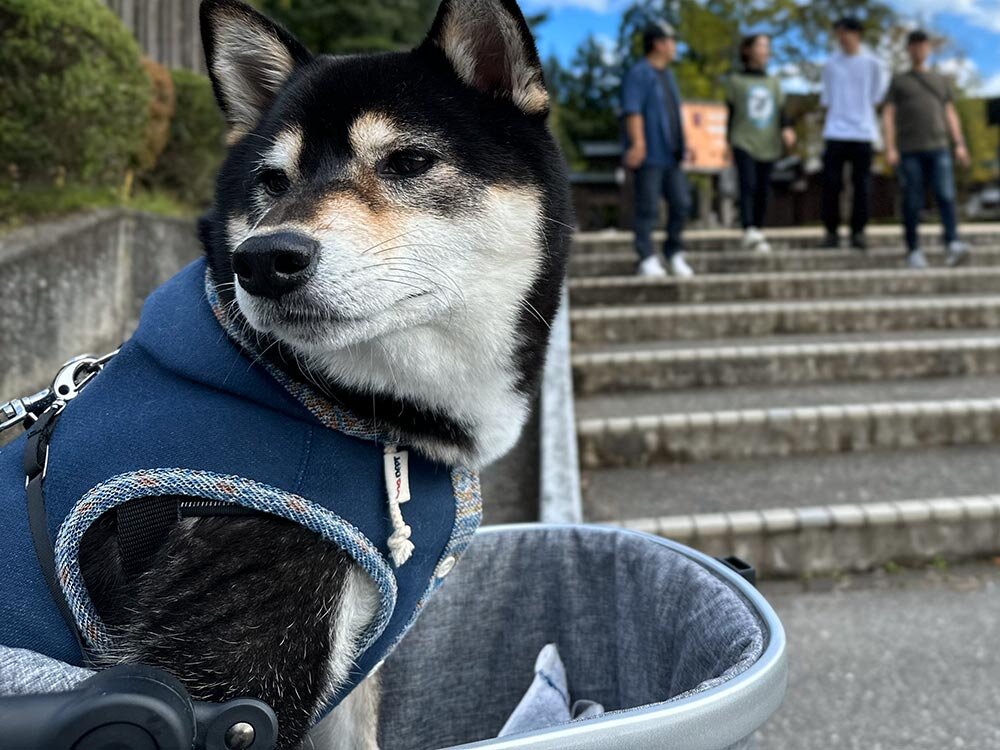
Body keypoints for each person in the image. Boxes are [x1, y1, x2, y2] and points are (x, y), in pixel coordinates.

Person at [883, 29, 971, 269]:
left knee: (946, 195)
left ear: (929, 48)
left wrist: (960, 144)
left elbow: (950, 113)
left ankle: (952, 243)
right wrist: (889, 146)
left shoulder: (940, 81)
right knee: (911, 200)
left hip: (939, 146)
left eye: (923, 45)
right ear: (908, 49)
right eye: (914, 45)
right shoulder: (899, 81)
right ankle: (913, 249)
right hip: (909, 148)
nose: (918, 49)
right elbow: (888, 114)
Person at [621, 21, 694, 278]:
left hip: (672, 155)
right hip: (650, 154)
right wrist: (638, 143)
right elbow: (632, 110)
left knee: (682, 203)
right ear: (658, 43)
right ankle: (646, 257)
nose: (674, 46)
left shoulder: (668, 75)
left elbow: (674, 114)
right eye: (671, 40)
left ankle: (673, 252)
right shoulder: (639, 73)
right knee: (647, 207)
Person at [820, 16, 888, 251]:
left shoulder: (873, 63)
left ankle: (858, 232)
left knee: (862, 186)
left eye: (845, 32)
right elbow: (826, 99)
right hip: (835, 131)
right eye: (838, 33)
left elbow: (877, 97)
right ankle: (831, 232)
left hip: (863, 132)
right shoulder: (830, 64)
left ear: (857, 34)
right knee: (831, 185)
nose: (842, 38)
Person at [725, 33, 797, 254]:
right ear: (748, 50)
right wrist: (726, 143)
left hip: (768, 142)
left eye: (767, 46)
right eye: (760, 45)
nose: (765, 50)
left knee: (763, 188)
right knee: (748, 183)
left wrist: (786, 129)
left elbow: (781, 111)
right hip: (743, 139)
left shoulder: (773, 83)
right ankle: (748, 227)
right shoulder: (735, 81)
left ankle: (758, 226)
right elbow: (730, 113)